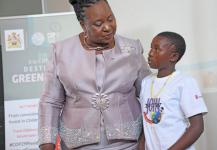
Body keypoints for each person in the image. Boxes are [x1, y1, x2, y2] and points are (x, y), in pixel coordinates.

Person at [38, 0, 151, 149]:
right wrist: (47, 144)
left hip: (129, 143)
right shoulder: (60, 52)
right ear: (83, 25)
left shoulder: (132, 49)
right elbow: (50, 102)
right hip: (78, 143)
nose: (108, 27)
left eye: (110, 19)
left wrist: (146, 139)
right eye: (98, 24)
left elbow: (149, 95)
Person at [140, 31, 208, 150]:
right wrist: (141, 146)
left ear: (173, 56)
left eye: (157, 49)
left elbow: (197, 127)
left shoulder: (185, 82)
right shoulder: (146, 82)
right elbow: (145, 123)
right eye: (151, 48)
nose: (150, 53)